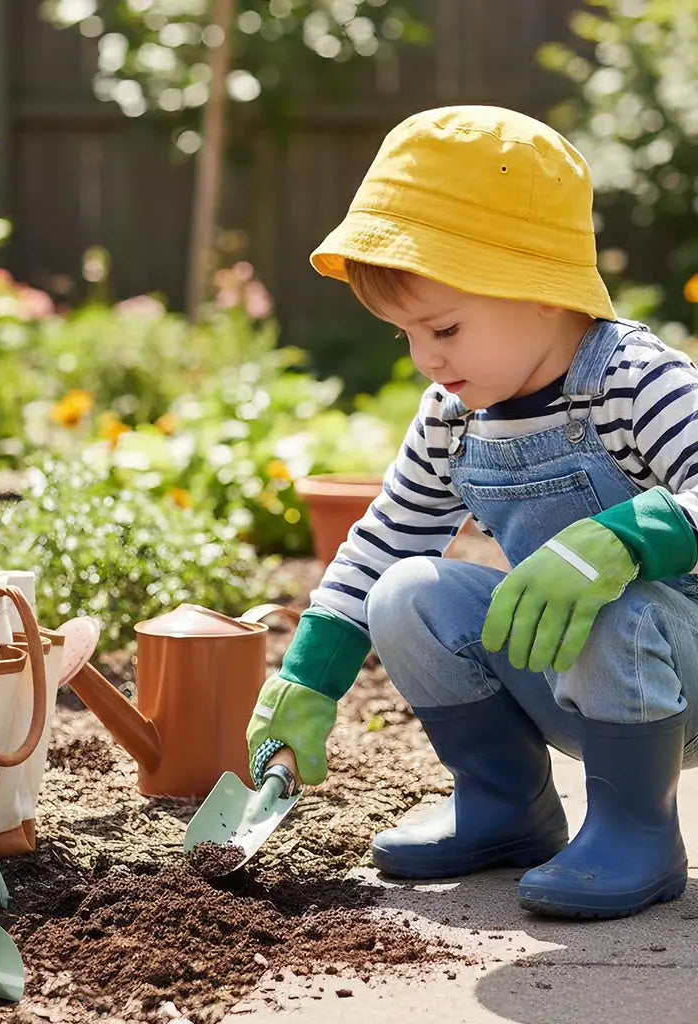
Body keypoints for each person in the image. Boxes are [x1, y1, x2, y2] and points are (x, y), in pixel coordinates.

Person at [247, 105, 698, 920]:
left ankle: (639, 829)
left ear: (541, 290)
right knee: (407, 591)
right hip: (572, 667)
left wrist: (626, 540)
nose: (427, 359)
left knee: (605, 594)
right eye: (406, 336)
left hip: (680, 669)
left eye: (445, 327)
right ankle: (505, 809)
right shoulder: (453, 415)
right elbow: (384, 540)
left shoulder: (635, 379)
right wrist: (307, 676)